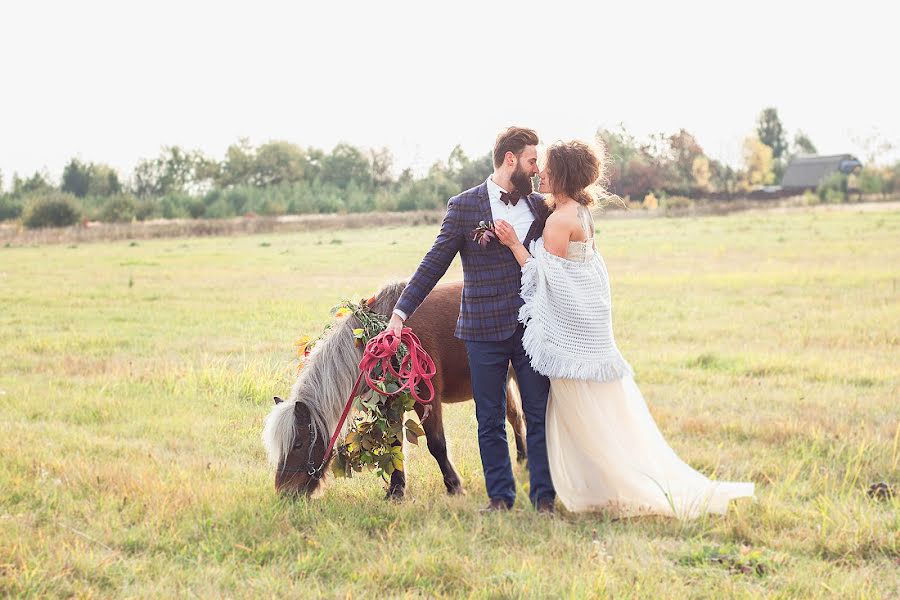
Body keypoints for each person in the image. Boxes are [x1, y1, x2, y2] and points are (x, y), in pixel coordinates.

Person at [493, 140, 754, 518]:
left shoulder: (559, 220)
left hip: (572, 347)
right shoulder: (580, 212)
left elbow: (547, 280)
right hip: (593, 343)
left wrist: (515, 244)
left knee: (587, 425)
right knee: (602, 421)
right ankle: (613, 487)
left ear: (563, 175)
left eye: (547, 167)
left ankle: (625, 489)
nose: (540, 173)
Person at [387, 127, 556, 512]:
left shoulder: (540, 207)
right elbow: (434, 263)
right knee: (490, 417)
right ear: (509, 159)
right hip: (481, 330)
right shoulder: (464, 206)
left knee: (537, 412)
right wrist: (400, 312)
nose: (536, 169)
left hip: (532, 327)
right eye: (532, 160)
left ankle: (544, 498)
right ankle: (500, 498)